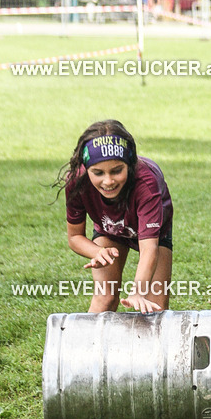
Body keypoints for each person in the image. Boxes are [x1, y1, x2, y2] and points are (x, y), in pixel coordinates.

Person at [54, 119, 173, 314]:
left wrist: (138, 291)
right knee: (104, 298)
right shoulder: (77, 181)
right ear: (86, 168)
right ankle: (90, 345)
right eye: (98, 172)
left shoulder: (147, 184)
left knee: (155, 308)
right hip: (109, 227)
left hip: (152, 233)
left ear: (130, 164)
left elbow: (149, 249)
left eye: (117, 171)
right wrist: (96, 252)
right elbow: (74, 237)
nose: (108, 181)